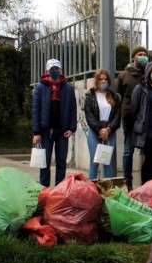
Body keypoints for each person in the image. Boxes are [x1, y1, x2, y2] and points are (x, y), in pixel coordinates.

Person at [32, 58, 77, 187]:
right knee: (44, 163)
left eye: (56, 69)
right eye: (52, 69)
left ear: (60, 70)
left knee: (61, 162)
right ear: (47, 71)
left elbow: (72, 109)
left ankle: (60, 189)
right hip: (45, 132)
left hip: (62, 131)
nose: (54, 72)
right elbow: (35, 110)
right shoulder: (40, 88)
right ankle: (44, 189)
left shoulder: (68, 88)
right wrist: (36, 132)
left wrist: (72, 128)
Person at [116, 45, 149, 191]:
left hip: (145, 118)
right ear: (133, 57)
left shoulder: (148, 74)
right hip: (129, 118)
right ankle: (128, 180)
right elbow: (119, 97)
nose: (143, 56)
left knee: (146, 151)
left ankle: (146, 181)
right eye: (140, 54)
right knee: (128, 150)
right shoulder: (124, 75)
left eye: (144, 54)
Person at [83, 69, 122, 180]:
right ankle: (92, 189)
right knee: (94, 162)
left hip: (110, 133)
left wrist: (108, 130)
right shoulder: (90, 96)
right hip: (94, 133)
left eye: (105, 79)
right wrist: (100, 129)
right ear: (97, 81)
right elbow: (89, 115)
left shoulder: (115, 97)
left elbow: (117, 117)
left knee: (107, 162)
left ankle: (107, 190)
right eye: (101, 79)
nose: (103, 81)